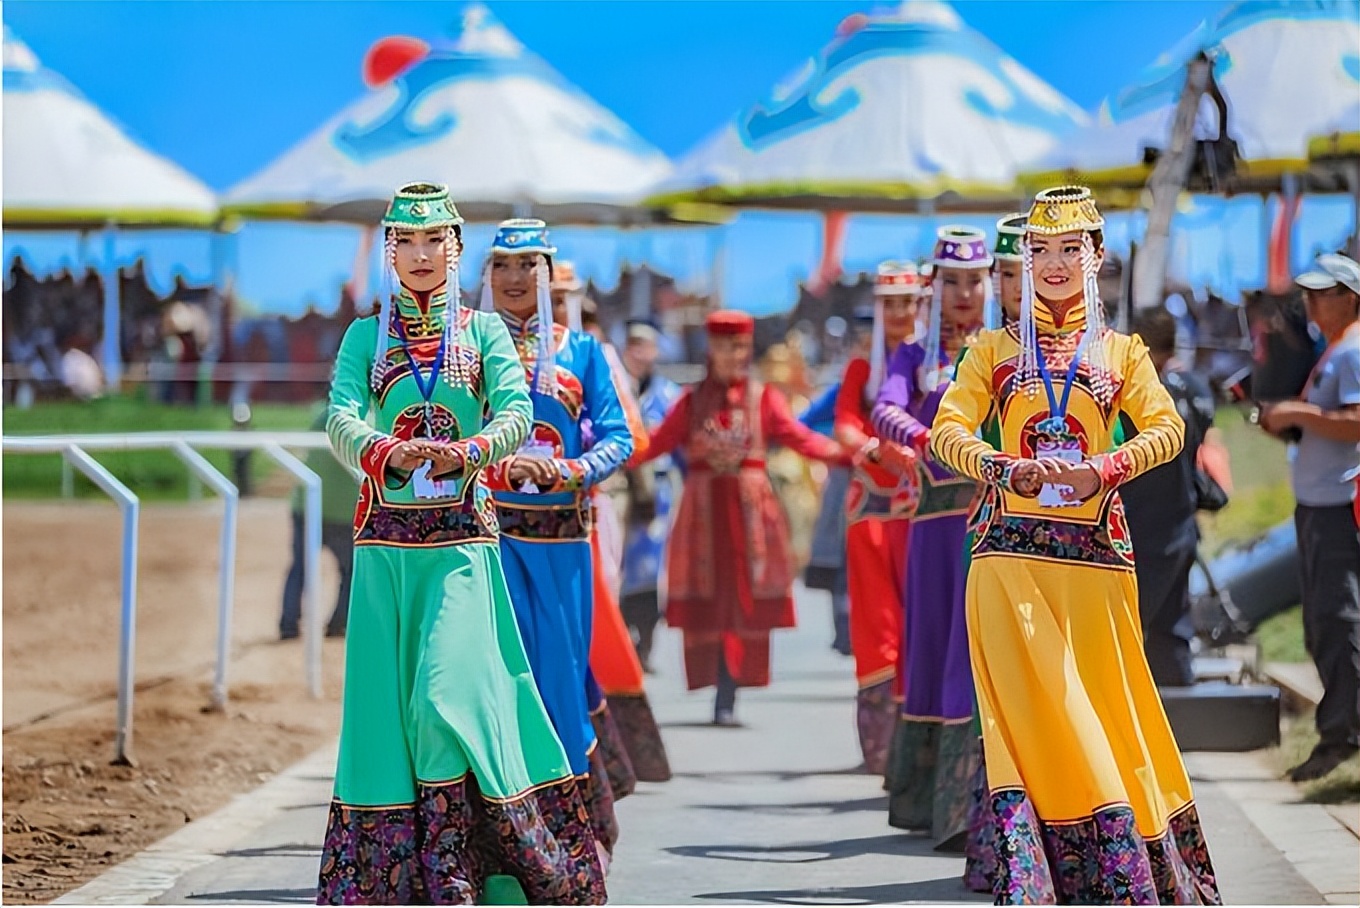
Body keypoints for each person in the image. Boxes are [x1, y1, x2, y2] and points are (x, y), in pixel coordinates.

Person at [316, 183, 605, 905]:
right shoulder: (364, 336)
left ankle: (451, 866)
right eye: (405, 243)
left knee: (444, 694)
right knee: (388, 715)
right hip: (385, 549)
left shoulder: (483, 335)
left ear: (455, 249)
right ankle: (399, 875)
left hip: (462, 547)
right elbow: (339, 419)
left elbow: (512, 414)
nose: (419, 256)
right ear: (390, 251)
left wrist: (469, 453)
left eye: (433, 242)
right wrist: (386, 451)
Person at [931, 186, 1219, 903]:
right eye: (1039, 251)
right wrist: (1005, 467)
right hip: (1007, 559)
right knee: (1023, 722)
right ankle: (1035, 881)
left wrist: (1105, 467)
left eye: (1069, 249)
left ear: (1096, 257)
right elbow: (947, 431)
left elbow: (1168, 429)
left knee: (1099, 714)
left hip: (1094, 562)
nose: (1054, 264)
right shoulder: (991, 354)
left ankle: (1117, 871)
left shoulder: (1123, 353)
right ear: (1024, 262)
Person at [480, 219, 634, 859]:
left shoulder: (583, 353)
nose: (516, 280)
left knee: (561, 679)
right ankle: (494, 841)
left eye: (529, 267)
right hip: (486, 540)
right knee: (493, 678)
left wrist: (569, 469)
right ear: (487, 275)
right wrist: (498, 467)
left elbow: (619, 438)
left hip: (564, 544)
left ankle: (564, 844)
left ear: (550, 275)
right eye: (503, 267)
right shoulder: (469, 349)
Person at [635, 310, 851, 726]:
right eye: (722, 346)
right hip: (704, 518)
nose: (731, 355)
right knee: (711, 602)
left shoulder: (763, 398)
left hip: (750, 517)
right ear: (709, 350)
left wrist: (849, 455)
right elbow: (656, 443)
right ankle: (719, 688)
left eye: (738, 347)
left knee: (743, 600)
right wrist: (606, 457)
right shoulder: (691, 400)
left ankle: (731, 689)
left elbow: (798, 437)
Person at [872, 228, 989, 850]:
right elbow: (884, 410)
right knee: (934, 645)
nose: (965, 293)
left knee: (978, 651)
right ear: (933, 286)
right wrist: (924, 441)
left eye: (974, 280)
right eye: (952, 280)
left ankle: (975, 806)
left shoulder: (1002, 352)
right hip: (935, 526)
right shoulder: (915, 356)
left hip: (990, 521)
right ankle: (931, 802)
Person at [1259, 252, 1360, 782]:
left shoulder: (1353, 350)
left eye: (1323, 294)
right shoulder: (1337, 351)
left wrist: (1294, 414)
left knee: (1336, 621)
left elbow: (1356, 422)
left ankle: (1341, 734)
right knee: (1327, 622)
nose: (1311, 303)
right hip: (1324, 504)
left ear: (1350, 298)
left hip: (1339, 508)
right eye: (1309, 294)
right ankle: (1340, 729)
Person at [833, 263, 921, 776]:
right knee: (876, 626)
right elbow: (844, 423)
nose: (900, 312)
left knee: (921, 619)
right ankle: (882, 744)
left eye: (908, 302)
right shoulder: (863, 369)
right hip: (871, 508)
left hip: (919, 508)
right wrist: (874, 449)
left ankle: (920, 736)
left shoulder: (929, 365)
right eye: (891, 303)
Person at [1121, 308, 1218, 686]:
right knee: (1172, 627)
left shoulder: (1134, 394)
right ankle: (1181, 726)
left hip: (1140, 526)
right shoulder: (1193, 387)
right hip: (1180, 523)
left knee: (1127, 628)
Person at [619, 320, 683, 671]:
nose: (639, 352)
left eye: (646, 345)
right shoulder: (614, 388)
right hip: (619, 486)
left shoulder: (669, 395)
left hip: (656, 491)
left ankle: (645, 642)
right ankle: (622, 642)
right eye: (633, 344)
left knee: (650, 570)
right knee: (619, 568)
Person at [279, 405, 358, 640]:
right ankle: (338, 623)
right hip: (341, 512)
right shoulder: (363, 419)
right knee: (351, 570)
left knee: (300, 567)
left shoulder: (321, 414)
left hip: (307, 505)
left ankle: (288, 624)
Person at [801, 379, 853, 656]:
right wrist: (837, 443)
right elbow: (804, 423)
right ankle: (844, 630)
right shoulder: (848, 386)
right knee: (843, 558)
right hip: (849, 480)